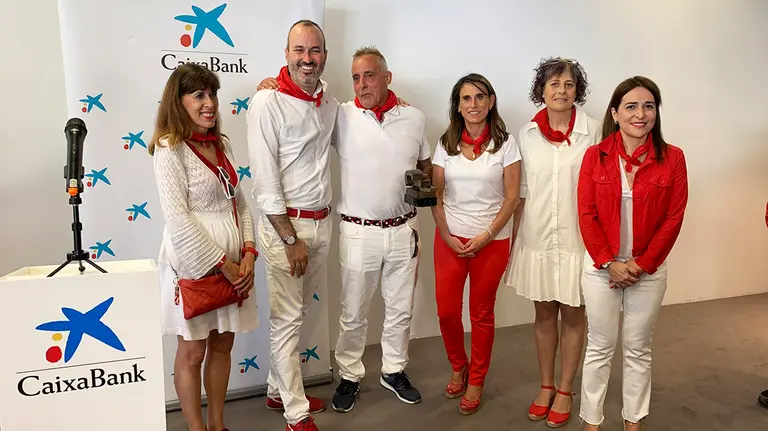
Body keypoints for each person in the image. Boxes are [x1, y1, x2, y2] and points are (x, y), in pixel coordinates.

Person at [256, 47, 427, 412]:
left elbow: (424, 164)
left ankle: (394, 370)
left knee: (400, 308)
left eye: (369, 75)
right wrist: (270, 88)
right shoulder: (340, 113)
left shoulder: (415, 117)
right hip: (357, 229)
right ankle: (350, 374)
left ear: (387, 77)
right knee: (353, 312)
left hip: (402, 229)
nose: (361, 84)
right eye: (355, 77)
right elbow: (303, 115)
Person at [150, 63, 259, 431]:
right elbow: (178, 219)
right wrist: (224, 266)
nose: (209, 102)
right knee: (193, 350)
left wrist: (247, 252)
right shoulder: (170, 148)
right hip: (196, 266)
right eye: (198, 95)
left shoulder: (218, 144)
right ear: (178, 102)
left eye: (212, 93)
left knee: (223, 346)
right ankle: (197, 429)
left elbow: (240, 204)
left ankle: (217, 424)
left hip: (233, 266)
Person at [577, 76, 688, 431]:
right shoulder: (595, 156)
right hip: (600, 268)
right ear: (615, 112)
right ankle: (591, 421)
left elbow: (673, 217)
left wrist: (640, 265)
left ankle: (633, 421)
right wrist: (610, 263)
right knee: (599, 347)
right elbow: (586, 213)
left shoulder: (673, 158)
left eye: (648, 106)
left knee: (638, 348)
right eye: (631, 106)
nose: (640, 114)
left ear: (656, 112)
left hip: (648, 271)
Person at [246, 19, 337, 431]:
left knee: (299, 312)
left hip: (322, 223)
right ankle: (295, 413)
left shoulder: (328, 100)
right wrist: (289, 238)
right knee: (287, 320)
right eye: (299, 51)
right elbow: (265, 183)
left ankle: (276, 389)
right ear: (286, 54)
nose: (307, 59)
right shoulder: (267, 103)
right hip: (288, 229)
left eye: (314, 51)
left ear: (324, 56)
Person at [503, 57, 601, 428]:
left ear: (578, 91)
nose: (561, 91)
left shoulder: (594, 132)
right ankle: (545, 385)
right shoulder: (526, 136)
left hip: (579, 240)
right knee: (544, 313)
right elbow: (520, 193)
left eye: (569, 84)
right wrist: (515, 244)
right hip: (538, 237)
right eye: (553, 84)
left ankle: (565, 389)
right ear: (540, 91)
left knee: (575, 313)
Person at [431, 73, 521, 415]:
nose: (473, 105)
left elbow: (512, 198)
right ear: (458, 105)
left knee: (481, 313)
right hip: (450, 239)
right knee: (446, 312)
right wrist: (447, 235)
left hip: (492, 241)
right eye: (466, 98)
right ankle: (459, 364)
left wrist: (485, 236)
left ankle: (476, 379)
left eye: (480, 97)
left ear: (491, 101)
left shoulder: (506, 144)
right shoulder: (445, 143)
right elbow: (436, 196)